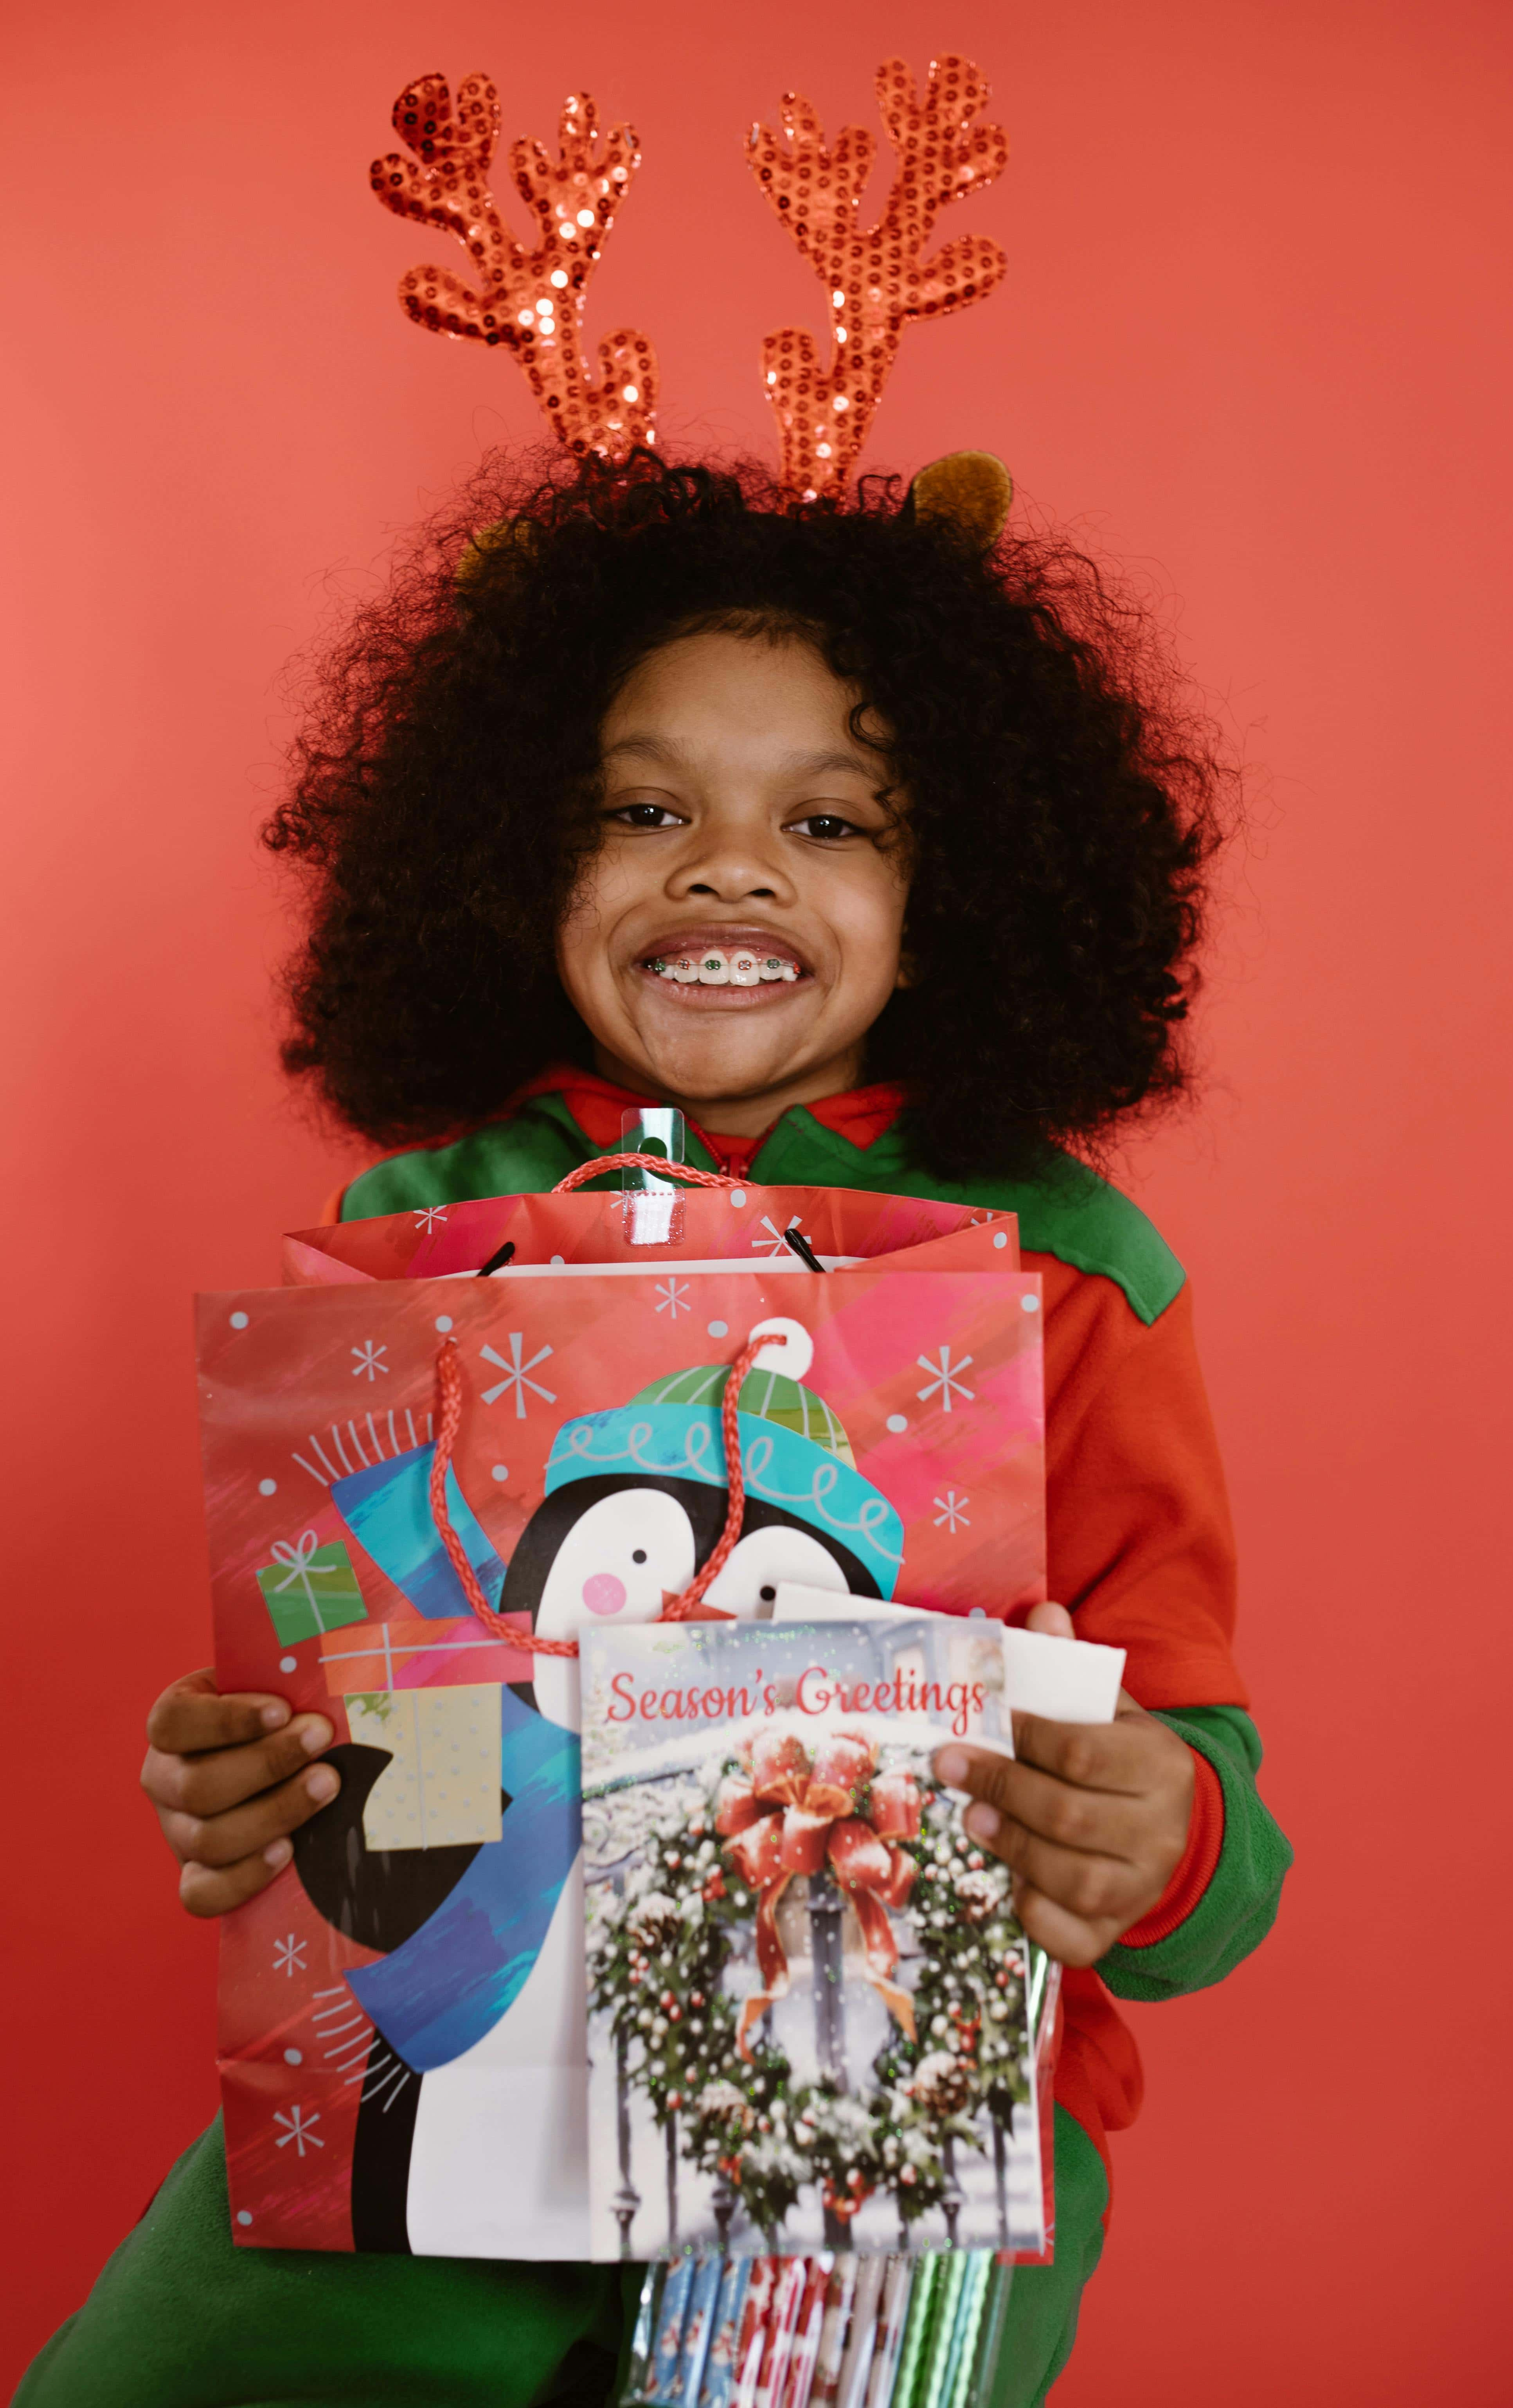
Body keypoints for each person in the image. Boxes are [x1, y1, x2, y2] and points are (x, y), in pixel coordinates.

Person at [17, 452, 1292, 2408]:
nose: (725, 864)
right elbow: (369, 1714)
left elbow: (1207, 1791)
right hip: (450, 2079)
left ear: (958, 887)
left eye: (833, 818)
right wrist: (250, 1785)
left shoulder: (1073, 1271)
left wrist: (1162, 1831)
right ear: (515, 857)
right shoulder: (412, 1238)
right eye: (640, 806)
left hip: (879, 2133)